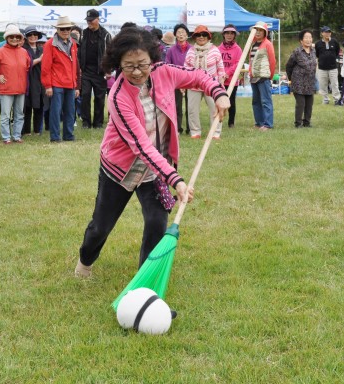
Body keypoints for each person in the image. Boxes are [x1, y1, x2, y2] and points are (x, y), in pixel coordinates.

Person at [76, 28, 229, 278]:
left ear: (152, 59)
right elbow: (142, 147)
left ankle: (145, 279)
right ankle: (85, 261)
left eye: (142, 64)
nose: (137, 72)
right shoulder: (117, 98)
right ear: (118, 65)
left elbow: (199, 76)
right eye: (129, 66)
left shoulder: (164, 72)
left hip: (157, 168)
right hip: (121, 168)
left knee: (157, 222)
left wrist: (218, 92)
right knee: (101, 226)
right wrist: (176, 180)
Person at [0, 23, 31, 143]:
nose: (14, 39)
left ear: (20, 38)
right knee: (5, 116)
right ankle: (6, 137)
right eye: (11, 37)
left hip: (20, 88)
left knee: (19, 114)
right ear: (6, 38)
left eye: (17, 36)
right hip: (6, 89)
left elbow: (27, 66)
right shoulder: (1, 51)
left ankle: (16, 136)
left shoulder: (24, 52)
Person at [42, 16, 79, 143]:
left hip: (70, 83)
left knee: (70, 111)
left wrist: (76, 85)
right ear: (57, 29)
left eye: (68, 28)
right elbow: (46, 66)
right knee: (56, 111)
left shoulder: (73, 43)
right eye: (62, 29)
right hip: (56, 83)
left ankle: (68, 135)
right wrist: (48, 85)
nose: (65, 31)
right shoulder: (49, 44)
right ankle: (55, 136)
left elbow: (75, 65)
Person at [184, 25, 225, 139]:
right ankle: (195, 132)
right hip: (194, 85)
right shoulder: (191, 51)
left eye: (204, 35)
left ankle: (215, 132)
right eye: (198, 35)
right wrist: (184, 83)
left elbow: (221, 68)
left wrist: (221, 82)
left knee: (215, 108)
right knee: (192, 110)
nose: (201, 37)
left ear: (208, 36)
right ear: (195, 37)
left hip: (211, 85)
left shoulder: (215, 50)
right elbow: (186, 67)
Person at [78, 9, 112, 129]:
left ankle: (98, 123)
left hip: (100, 71)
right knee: (85, 95)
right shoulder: (83, 33)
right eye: (88, 20)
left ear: (98, 19)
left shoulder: (106, 34)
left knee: (99, 97)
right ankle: (86, 122)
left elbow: (110, 53)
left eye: (91, 20)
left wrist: (108, 70)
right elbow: (79, 51)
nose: (89, 23)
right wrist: (79, 67)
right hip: (86, 70)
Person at [286, 29, 318, 128]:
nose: (308, 39)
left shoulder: (313, 51)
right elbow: (289, 66)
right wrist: (291, 78)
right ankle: (298, 123)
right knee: (301, 104)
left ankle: (307, 122)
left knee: (309, 104)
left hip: (310, 82)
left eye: (310, 37)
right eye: (306, 37)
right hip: (298, 82)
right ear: (301, 40)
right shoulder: (297, 51)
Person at [250, 21, 276, 131]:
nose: (258, 32)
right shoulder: (252, 44)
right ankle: (258, 123)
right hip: (253, 77)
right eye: (256, 30)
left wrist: (270, 75)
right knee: (256, 101)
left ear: (265, 32)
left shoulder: (267, 44)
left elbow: (272, 61)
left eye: (261, 30)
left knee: (266, 101)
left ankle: (268, 124)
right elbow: (251, 61)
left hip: (263, 76)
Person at [164, 23, 191, 133]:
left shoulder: (192, 49)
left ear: (187, 35)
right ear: (175, 35)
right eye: (178, 32)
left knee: (191, 106)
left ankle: (191, 128)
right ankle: (178, 128)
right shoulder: (171, 50)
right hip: (176, 82)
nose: (181, 34)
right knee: (177, 106)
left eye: (183, 32)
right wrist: (177, 81)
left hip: (190, 81)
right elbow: (167, 65)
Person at [22, 26, 45, 135]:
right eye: (30, 35)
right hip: (28, 81)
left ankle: (37, 130)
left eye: (35, 34)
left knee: (39, 106)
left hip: (40, 82)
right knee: (27, 107)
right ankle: (26, 131)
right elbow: (24, 65)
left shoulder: (42, 49)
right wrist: (39, 60)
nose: (33, 37)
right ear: (26, 37)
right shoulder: (23, 49)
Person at [218, 24, 242, 128]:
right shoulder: (218, 48)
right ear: (223, 35)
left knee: (231, 102)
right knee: (219, 101)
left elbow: (238, 63)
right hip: (220, 80)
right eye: (227, 33)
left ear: (234, 35)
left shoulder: (238, 49)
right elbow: (216, 62)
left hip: (232, 80)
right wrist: (221, 74)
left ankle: (231, 123)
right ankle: (218, 120)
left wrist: (227, 73)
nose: (229, 35)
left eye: (232, 33)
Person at [315, 26, 340, 104]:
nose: (327, 33)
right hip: (322, 68)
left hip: (333, 67)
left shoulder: (334, 41)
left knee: (335, 84)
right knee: (323, 84)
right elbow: (317, 54)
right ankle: (325, 99)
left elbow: (337, 51)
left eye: (329, 32)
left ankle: (337, 99)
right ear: (322, 33)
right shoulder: (318, 43)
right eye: (325, 32)